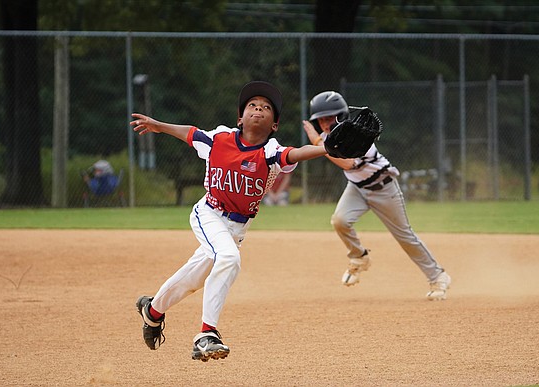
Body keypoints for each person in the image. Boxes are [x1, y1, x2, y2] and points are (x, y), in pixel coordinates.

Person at [131, 81, 327, 362]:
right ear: (240, 118)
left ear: (274, 125)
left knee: (194, 277)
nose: (258, 108)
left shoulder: (270, 150)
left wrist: (326, 148)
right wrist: (159, 125)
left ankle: (152, 311)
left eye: (266, 107)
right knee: (229, 258)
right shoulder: (220, 138)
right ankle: (206, 334)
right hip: (209, 213)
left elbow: (294, 154)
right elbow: (191, 133)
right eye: (252, 105)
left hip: (237, 228)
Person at [302, 91, 452, 301]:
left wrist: (316, 141)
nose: (325, 122)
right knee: (340, 220)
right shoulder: (327, 138)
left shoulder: (359, 135)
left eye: (329, 117)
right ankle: (359, 257)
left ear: (342, 115)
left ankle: (438, 277)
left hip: (384, 188)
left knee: (404, 236)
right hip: (356, 188)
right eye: (321, 119)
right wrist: (320, 141)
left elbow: (347, 162)